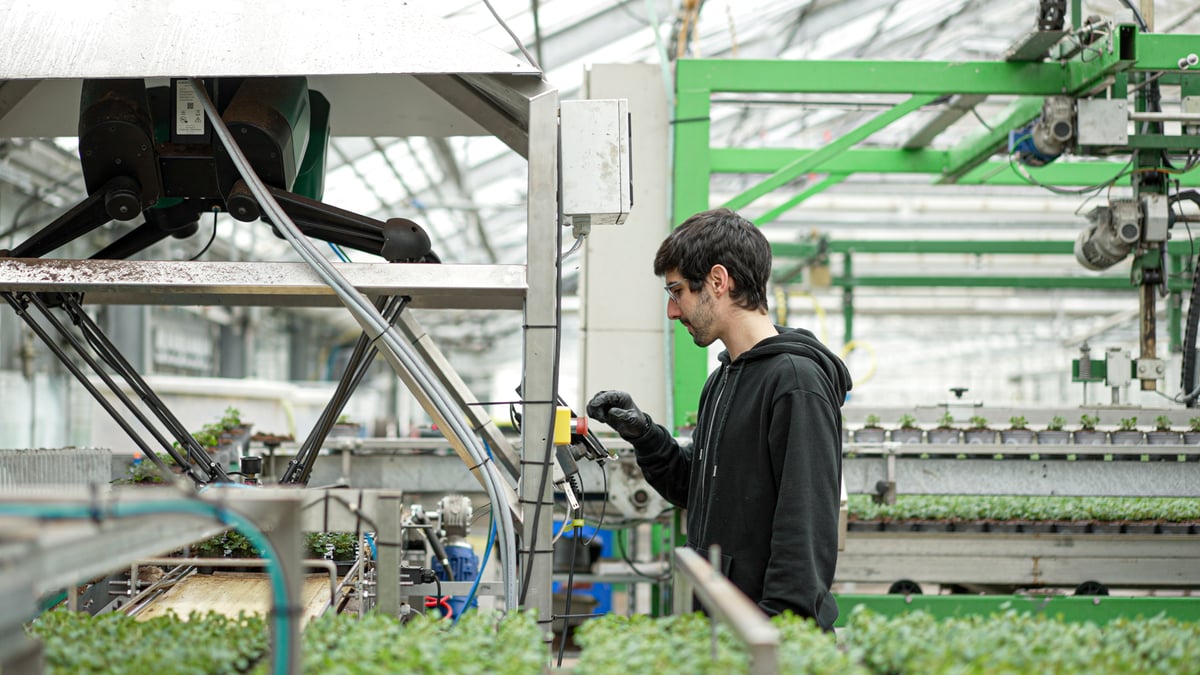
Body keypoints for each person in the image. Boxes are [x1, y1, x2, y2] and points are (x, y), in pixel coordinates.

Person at [587, 207, 851, 631]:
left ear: (717, 281)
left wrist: (773, 634)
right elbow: (701, 488)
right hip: (722, 622)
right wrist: (646, 436)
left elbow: (805, 523)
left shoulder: (795, 382)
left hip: (763, 634)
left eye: (677, 292)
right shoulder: (724, 378)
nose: (673, 311)